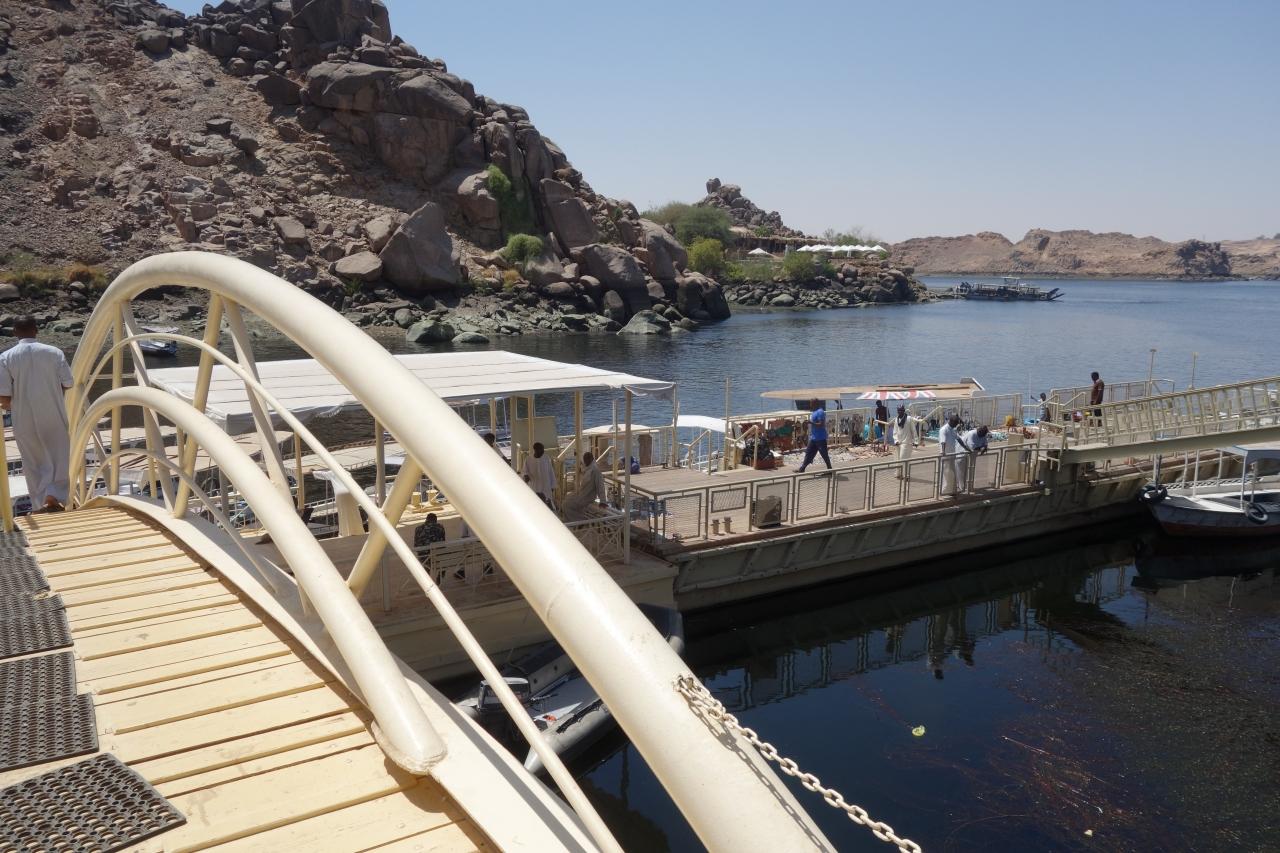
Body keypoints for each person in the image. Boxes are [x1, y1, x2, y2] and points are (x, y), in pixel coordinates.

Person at [0, 317, 73, 512]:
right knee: (59, 456)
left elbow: (4, 396)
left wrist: (10, 405)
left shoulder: (6, 357)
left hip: (23, 417)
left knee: (32, 461)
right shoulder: (54, 352)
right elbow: (68, 382)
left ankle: (40, 503)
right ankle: (54, 497)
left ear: (14, 332)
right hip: (53, 413)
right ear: (36, 330)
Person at [563, 450, 607, 520]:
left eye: (587, 459)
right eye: (585, 459)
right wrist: (577, 455)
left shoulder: (595, 471)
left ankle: (580, 520)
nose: (585, 461)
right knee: (566, 499)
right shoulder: (588, 469)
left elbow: (600, 486)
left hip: (587, 497)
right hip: (582, 495)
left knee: (566, 505)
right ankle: (575, 519)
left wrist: (603, 501)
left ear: (591, 459)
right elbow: (582, 465)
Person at [796, 398, 831, 472]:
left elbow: (821, 424)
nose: (810, 404)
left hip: (820, 438)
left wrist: (811, 423)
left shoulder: (820, 412)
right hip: (813, 438)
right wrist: (808, 423)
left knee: (824, 455)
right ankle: (802, 468)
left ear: (815, 403)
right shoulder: (814, 412)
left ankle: (830, 470)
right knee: (808, 453)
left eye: (811, 403)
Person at [521, 441, 556, 509]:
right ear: (535, 450)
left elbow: (551, 472)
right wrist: (526, 476)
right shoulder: (528, 459)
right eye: (541, 450)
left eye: (543, 449)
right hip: (534, 486)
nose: (543, 451)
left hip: (546, 487)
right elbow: (524, 471)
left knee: (548, 504)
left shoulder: (546, 458)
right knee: (535, 504)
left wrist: (552, 486)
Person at [956, 425, 989, 493]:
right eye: (983, 434)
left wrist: (985, 447)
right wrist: (982, 448)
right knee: (961, 471)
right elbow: (973, 447)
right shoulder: (972, 434)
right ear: (979, 431)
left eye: (984, 434)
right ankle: (962, 488)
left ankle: (968, 486)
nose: (983, 436)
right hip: (962, 454)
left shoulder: (983, 435)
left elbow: (985, 444)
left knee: (970, 470)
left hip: (971, 455)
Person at [893, 405, 923, 477]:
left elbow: (913, 430)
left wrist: (916, 441)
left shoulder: (909, 419)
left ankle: (906, 475)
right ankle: (898, 473)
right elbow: (895, 432)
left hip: (906, 443)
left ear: (904, 411)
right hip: (898, 442)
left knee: (903, 458)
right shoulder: (896, 419)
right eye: (899, 410)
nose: (900, 412)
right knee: (897, 459)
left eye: (901, 410)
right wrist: (896, 440)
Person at [938, 415, 964, 497]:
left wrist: (967, 448)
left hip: (952, 455)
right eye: (955, 423)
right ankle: (944, 491)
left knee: (952, 474)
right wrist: (943, 452)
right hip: (946, 455)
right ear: (951, 421)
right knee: (946, 474)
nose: (956, 425)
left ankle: (952, 491)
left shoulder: (952, 430)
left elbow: (959, 439)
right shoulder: (944, 429)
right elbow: (943, 442)